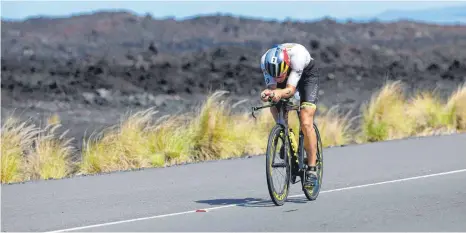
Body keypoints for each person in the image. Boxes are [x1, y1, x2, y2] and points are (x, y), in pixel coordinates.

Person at [259, 43, 320, 188]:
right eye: (276, 76)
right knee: (275, 103)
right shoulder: (265, 61)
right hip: (286, 72)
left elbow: (290, 90)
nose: (279, 78)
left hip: (306, 75)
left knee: (305, 122)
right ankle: (285, 135)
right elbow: (274, 89)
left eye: (281, 75)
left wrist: (280, 92)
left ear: (287, 65)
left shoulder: (297, 58)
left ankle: (312, 169)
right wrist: (268, 94)